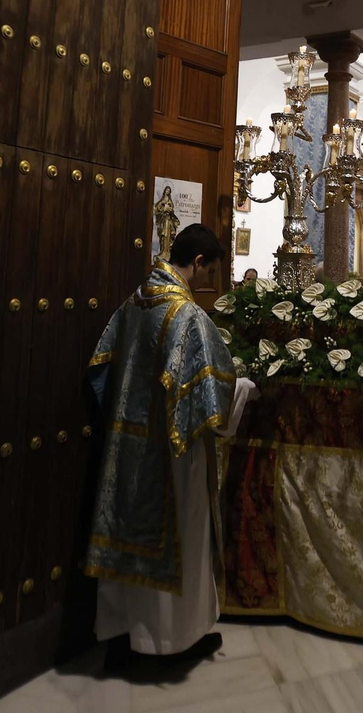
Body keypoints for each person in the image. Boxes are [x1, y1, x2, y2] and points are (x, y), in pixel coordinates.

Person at [83, 224, 258, 665]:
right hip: (173, 454)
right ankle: (173, 641)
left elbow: (100, 367)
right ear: (197, 262)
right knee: (185, 535)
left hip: (126, 448)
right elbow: (213, 397)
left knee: (127, 535)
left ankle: (126, 635)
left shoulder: (134, 302)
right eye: (211, 272)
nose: (211, 283)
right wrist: (247, 389)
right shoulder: (186, 316)